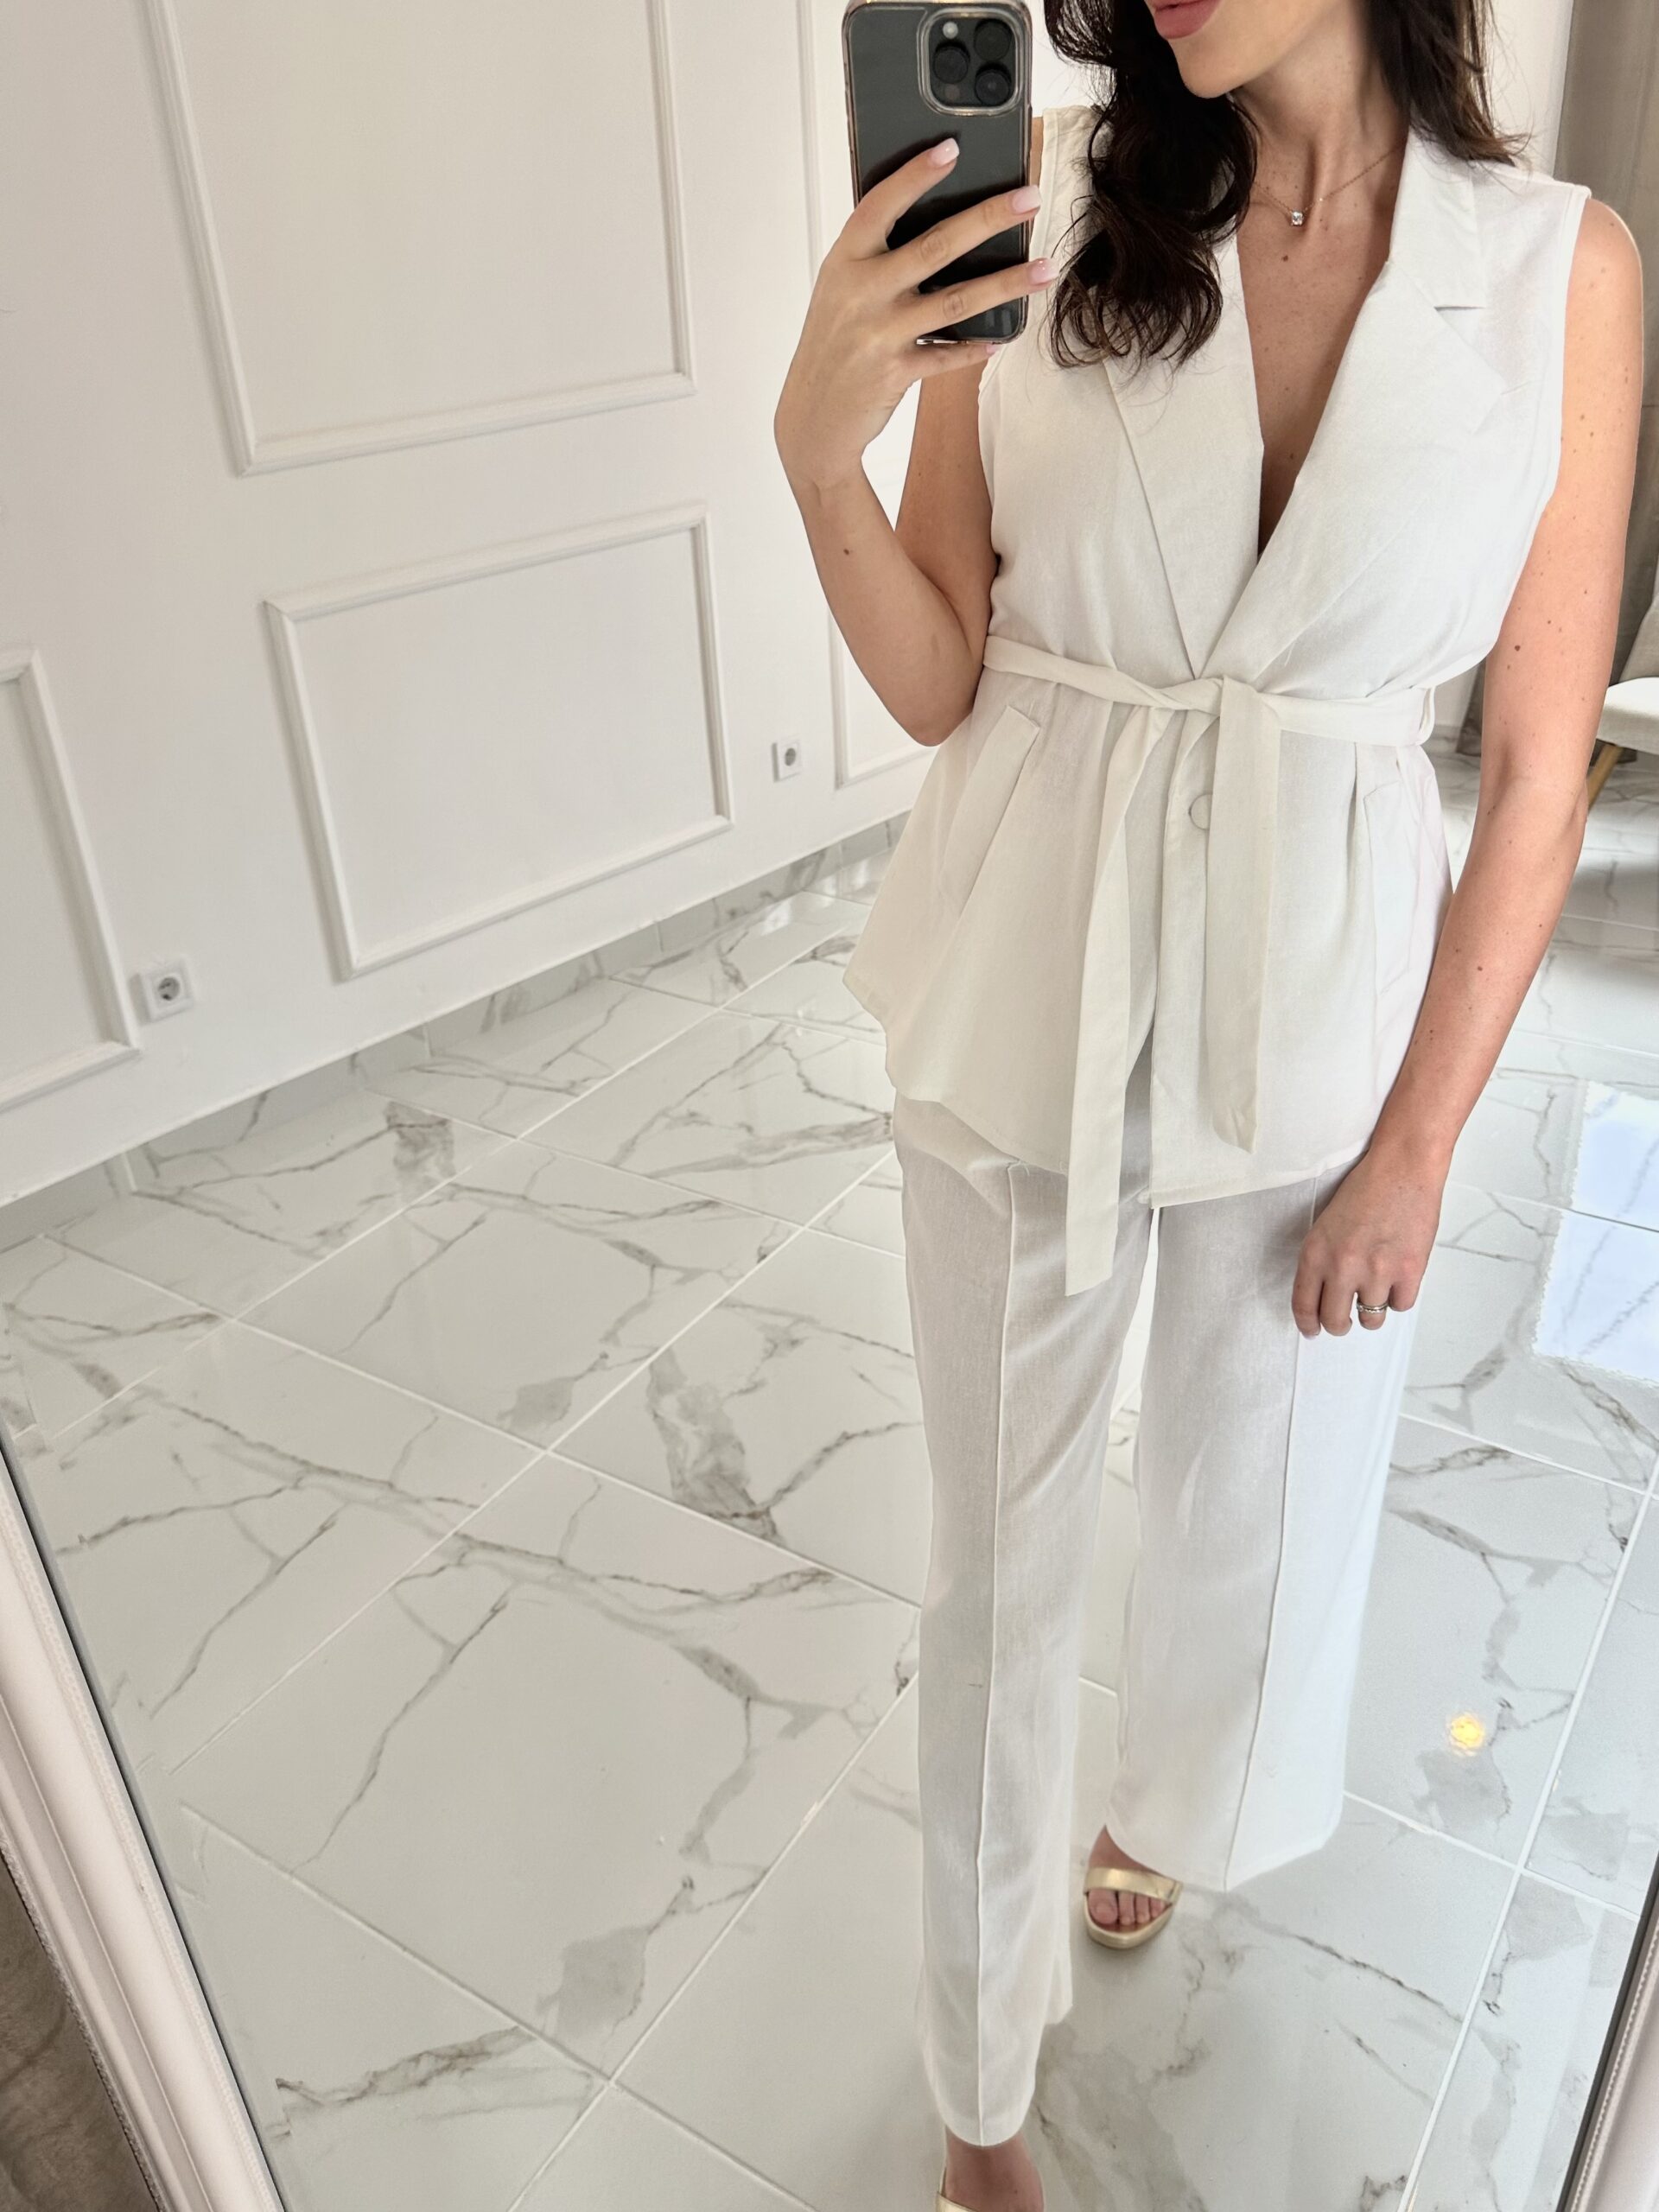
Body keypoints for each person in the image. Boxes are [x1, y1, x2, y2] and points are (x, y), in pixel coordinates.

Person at [773, 2, 1642, 2206]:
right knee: (996, 1581)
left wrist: (1419, 1150)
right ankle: (980, 2095)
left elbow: (1541, 771)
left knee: (1255, 1521)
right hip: (1022, 967)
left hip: (1319, 1016)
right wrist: (816, 458)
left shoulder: (1556, 269)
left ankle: (1162, 1804)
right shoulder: (1055, 207)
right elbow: (944, 672)